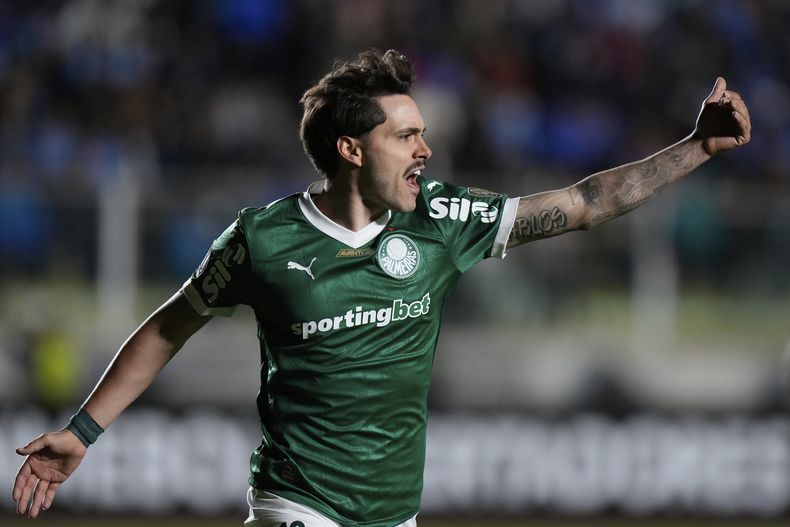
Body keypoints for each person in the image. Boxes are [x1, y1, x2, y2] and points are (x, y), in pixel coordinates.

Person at [12, 49, 751, 526]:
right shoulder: (262, 240)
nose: (427, 149)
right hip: (296, 505)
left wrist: (696, 149)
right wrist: (81, 431)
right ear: (350, 148)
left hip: (395, 513)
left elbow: (585, 203)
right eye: (407, 136)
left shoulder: (441, 219)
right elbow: (170, 325)